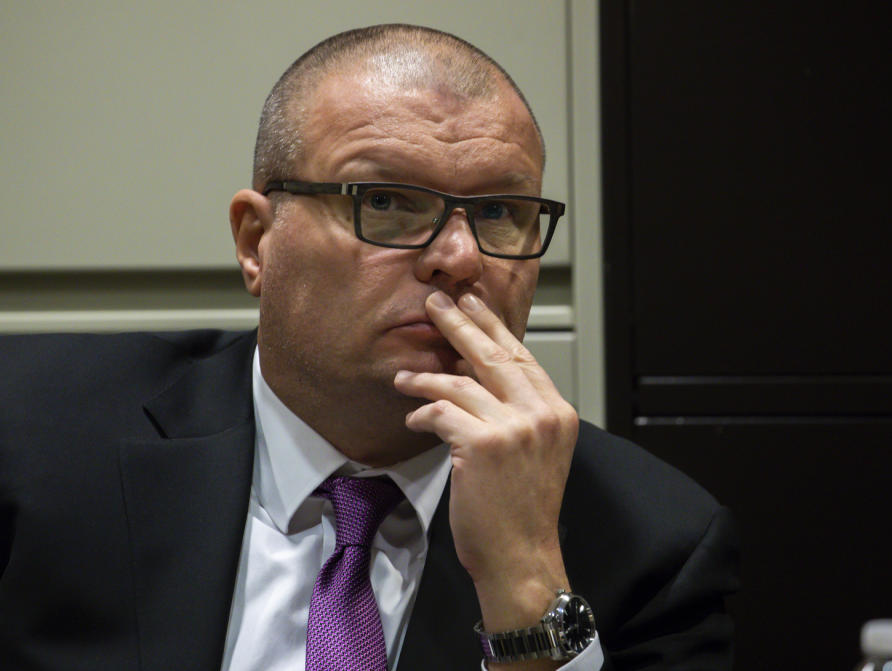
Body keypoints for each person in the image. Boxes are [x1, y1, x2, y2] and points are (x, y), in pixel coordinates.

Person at [0, 24, 737, 671]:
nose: (458, 255)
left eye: (500, 212)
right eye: (384, 201)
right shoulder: (33, 432)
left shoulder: (653, 541)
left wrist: (525, 581)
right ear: (257, 243)